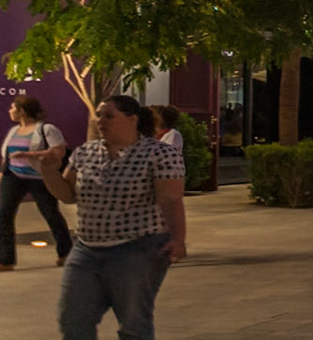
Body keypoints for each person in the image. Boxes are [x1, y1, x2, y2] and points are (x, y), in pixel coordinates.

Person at [33, 93, 185, 340]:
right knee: (73, 319)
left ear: (132, 119)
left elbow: (170, 199)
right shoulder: (85, 152)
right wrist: (49, 173)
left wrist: (179, 238)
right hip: (87, 249)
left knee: (134, 323)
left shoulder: (159, 154)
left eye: (109, 116)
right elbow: (68, 195)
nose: (100, 121)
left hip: (138, 248)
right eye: (99, 116)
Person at [3, 94, 72, 270]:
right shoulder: (14, 131)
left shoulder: (46, 129)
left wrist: (27, 155)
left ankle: (66, 252)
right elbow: (7, 156)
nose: (10, 111)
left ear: (22, 111)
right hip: (14, 176)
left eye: (13, 108)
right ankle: (5, 259)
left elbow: (58, 151)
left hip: (39, 177)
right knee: (3, 213)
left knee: (50, 213)